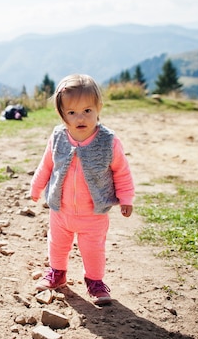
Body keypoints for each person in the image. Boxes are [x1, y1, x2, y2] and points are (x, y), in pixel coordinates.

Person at [29, 74, 134, 305]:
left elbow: (121, 171)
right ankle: (57, 273)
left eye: (87, 110)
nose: (81, 118)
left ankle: (95, 282)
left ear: (99, 108)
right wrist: (36, 187)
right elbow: (47, 164)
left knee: (93, 249)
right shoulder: (58, 136)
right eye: (72, 112)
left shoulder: (108, 141)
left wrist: (126, 198)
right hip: (61, 210)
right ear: (62, 114)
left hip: (93, 213)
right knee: (57, 243)